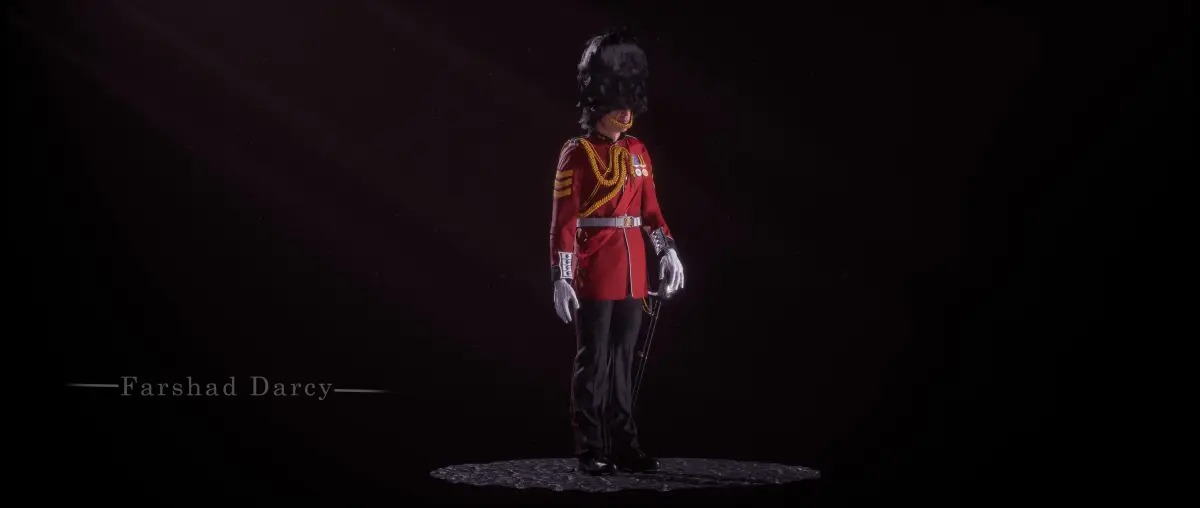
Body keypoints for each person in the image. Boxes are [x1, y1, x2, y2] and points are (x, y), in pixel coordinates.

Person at [548, 31, 685, 476]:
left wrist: (667, 252)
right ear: (599, 100)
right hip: (594, 268)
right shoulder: (578, 153)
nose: (627, 112)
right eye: (618, 102)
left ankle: (625, 445)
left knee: (624, 361)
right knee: (594, 362)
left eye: (630, 103)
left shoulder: (638, 151)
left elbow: (651, 212)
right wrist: (561, 276)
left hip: (633, 269)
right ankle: (591, 448)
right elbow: (564, 222)